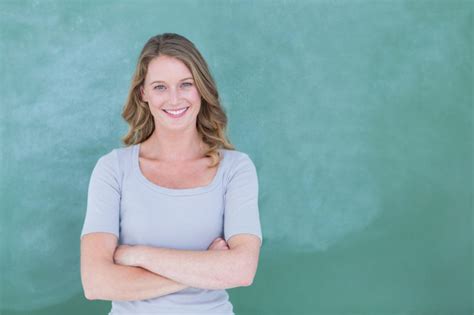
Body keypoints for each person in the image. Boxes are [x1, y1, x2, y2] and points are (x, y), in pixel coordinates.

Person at [79, 32, 263, 314]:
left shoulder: (236, 169)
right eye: (160, 87)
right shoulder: (113, 169)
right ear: (143, 93)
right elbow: (96, 283)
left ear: (201, 88)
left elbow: (241, 270)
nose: (174, 99)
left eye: (185, 84)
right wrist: (205, 267)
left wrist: (136, 255)